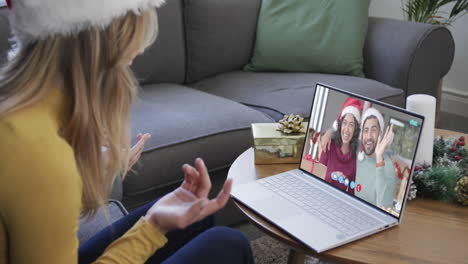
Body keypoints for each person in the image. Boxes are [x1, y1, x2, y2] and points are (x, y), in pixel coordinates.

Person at [0, 1, 253, 263]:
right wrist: (153, 229)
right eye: (135, 29)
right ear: (103, 36)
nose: (141, 47)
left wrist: (91, 175)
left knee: (191, 219)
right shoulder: (37, 152)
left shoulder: (20, 109)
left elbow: (36, 217)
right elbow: (41, 178)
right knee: (227, 244)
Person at [319, 98, 362, 194]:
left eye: (351, 125)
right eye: (345, 123)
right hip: (321, 195)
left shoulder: (354, 160)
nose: (346, 129)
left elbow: (351, 192)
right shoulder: (329, 146)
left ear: (355, 130)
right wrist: (333, 175)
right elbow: (317, 176)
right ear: (340, 125)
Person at [355, 108, 396, 208]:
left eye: (373, 130)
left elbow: (383, 206)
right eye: (366, 130)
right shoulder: (357, 155)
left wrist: (379, 159)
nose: (369, 136)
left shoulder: (388, 166)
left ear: (380, 134)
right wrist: (329, 133)